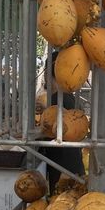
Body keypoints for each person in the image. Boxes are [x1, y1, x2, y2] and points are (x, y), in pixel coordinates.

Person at [38, 51, 85, 192]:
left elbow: (53, 130)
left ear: (48, 73)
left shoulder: (57, 98)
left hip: (62, 168)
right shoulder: (70, 97)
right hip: (73, 164)